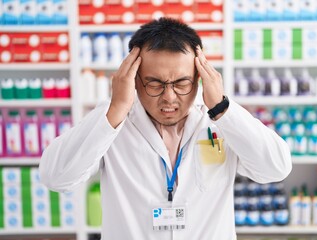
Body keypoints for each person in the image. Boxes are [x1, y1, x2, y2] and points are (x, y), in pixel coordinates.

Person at [39, 17, 292, 239]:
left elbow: (276, 168)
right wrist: (115, 109)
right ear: (134, 79)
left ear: (200, 76)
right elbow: (56, 177)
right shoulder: (113, 121)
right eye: (154, 84)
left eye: (182, 83)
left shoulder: (220, 119)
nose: (169, 97)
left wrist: (223, 109)